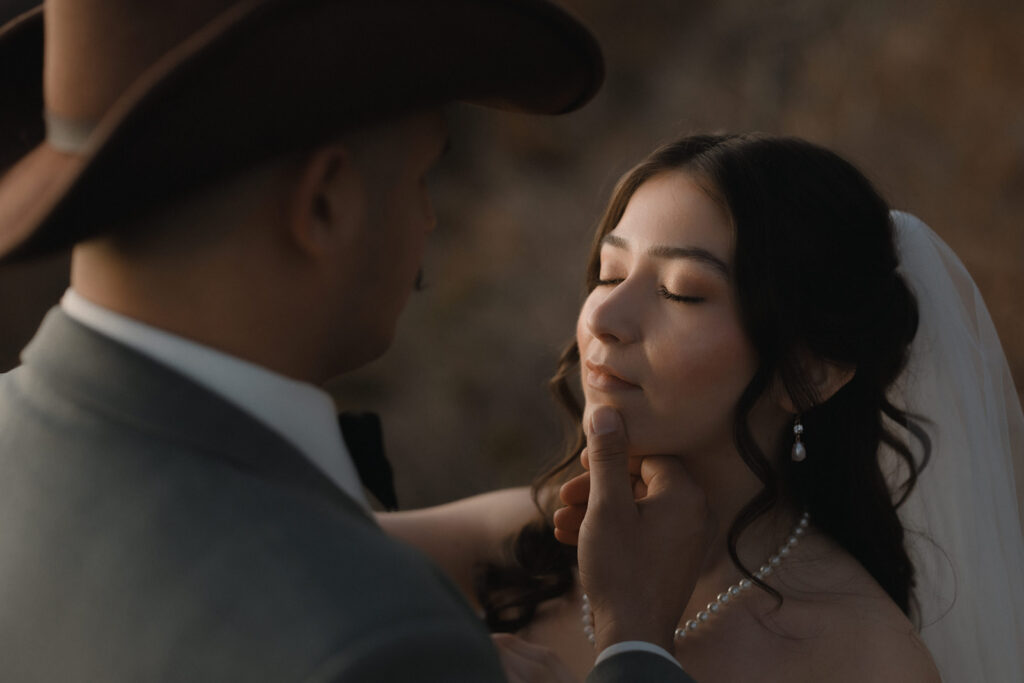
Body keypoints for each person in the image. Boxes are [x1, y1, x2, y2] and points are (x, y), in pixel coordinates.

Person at [0, 2, 712, 681]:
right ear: (325, 202)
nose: (430, 218)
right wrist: (636, 642)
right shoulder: (370, 639)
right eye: (421, 175)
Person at [381, 133, 1024, 681]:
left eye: (681, 292)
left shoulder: (866, 660)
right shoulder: (521, 549)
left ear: (808, 371)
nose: (603, 316)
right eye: (608, 274)